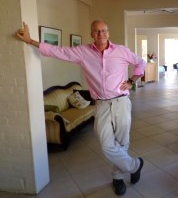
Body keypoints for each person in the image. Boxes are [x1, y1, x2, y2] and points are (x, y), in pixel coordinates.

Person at [16, 20, 146, 196]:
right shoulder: (82, 52)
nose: (101, 34)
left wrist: (132, 81)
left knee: (122, 142)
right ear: (91, 33)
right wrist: (30, 41)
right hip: (100, 104)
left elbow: (140, 63)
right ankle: (135, 165)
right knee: (106, 145)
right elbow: (57, 51)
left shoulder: (122, 51)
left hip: (121, 102)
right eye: (97, 31)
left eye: (104, 31)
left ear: (108, 33)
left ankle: (117, 177)